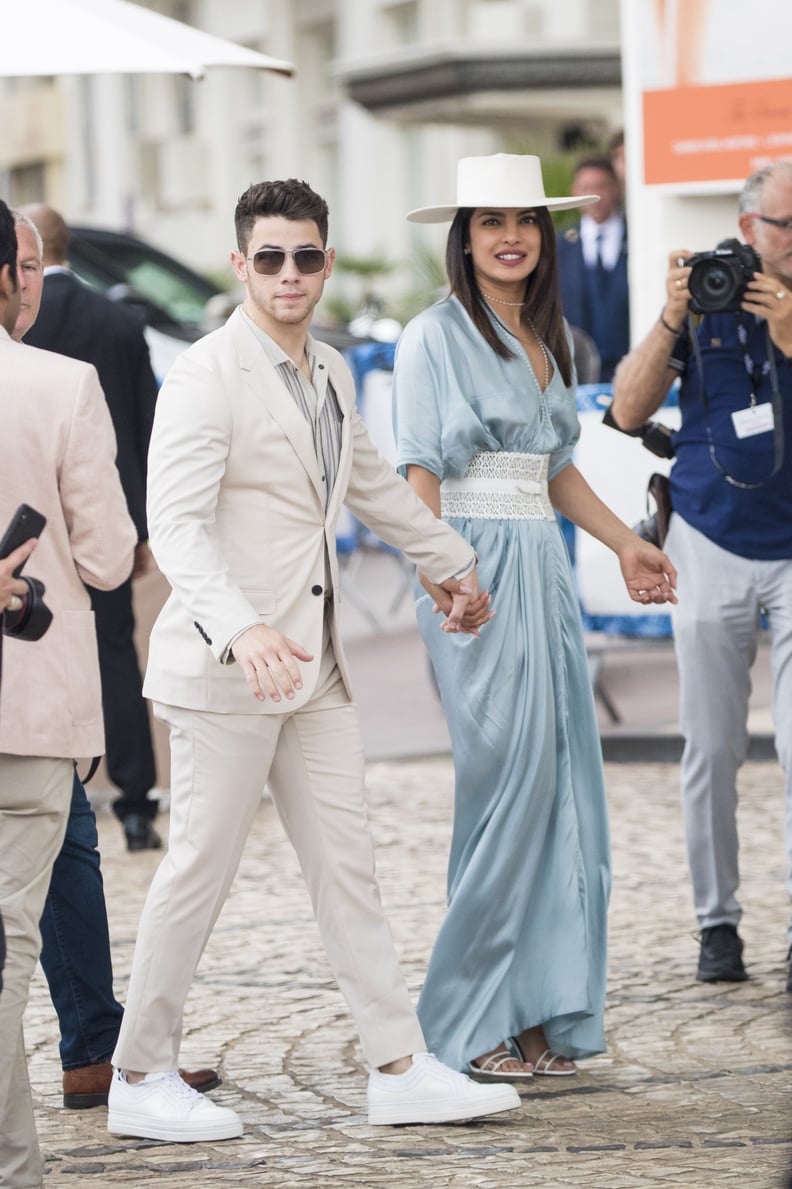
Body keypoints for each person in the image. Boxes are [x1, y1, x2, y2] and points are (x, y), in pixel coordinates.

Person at [107, 177, 522, 1144]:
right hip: (230, 669)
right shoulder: (208, 373)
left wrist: (452, 563)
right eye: (268, 258)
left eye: (304, 257)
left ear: (326, 263)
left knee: (350, 869)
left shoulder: (330, 372)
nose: (288, 275)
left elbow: (371, 485)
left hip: (317, 665)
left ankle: (398, 1066)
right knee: (198, 869)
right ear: (239, 264)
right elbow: (173, 526)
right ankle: (136, 1072)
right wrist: (239, 628)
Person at [392, 153, 677, 1081]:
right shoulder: (431, 337)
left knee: (563, 797)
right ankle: (466, 1017)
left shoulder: (548, 338)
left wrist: (624, 542)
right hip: (472, 573)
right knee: (505, 790)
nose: (510, 236)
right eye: (490, 222)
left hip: (543, 574)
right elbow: (419, 469)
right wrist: (444, 576)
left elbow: (552, 470)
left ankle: (544, 1012)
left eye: (526, 220)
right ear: (463, 237)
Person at [10, 209, 219, 1113]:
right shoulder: (62, 378)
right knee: (48, 872)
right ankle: (90, 1049)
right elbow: (104, 558)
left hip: (41, 671)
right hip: (33, 677)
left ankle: (95, 1038)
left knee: (71, 849)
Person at [611, 158, 792, 985]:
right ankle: (716, 922)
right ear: (750, 229)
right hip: (710, 538)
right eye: (787, 225)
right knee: (711, 746)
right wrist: (669, 316)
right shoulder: (705, 299)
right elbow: (627, 409)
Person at [0, 196, 136, 1189]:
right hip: (29, 702)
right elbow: (107, 556)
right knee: (7, 942)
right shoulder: (60, 383)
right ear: (15, 271)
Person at [21, 203, 160, 853]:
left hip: (33, 528)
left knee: (37, 654)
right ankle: (136, 801)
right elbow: (145, 430)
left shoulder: (18, 319)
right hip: (113, 515)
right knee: (115, 652)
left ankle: (65, 788)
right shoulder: (122, 322)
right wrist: (143, 526)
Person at [556, 155, 629, 383]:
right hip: (577, 373)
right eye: (586, 188)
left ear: (617, 188)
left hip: (629, 369)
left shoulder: (639, 235)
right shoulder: (558, 244)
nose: (594, 197)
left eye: (601, 187)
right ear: (573, 192)